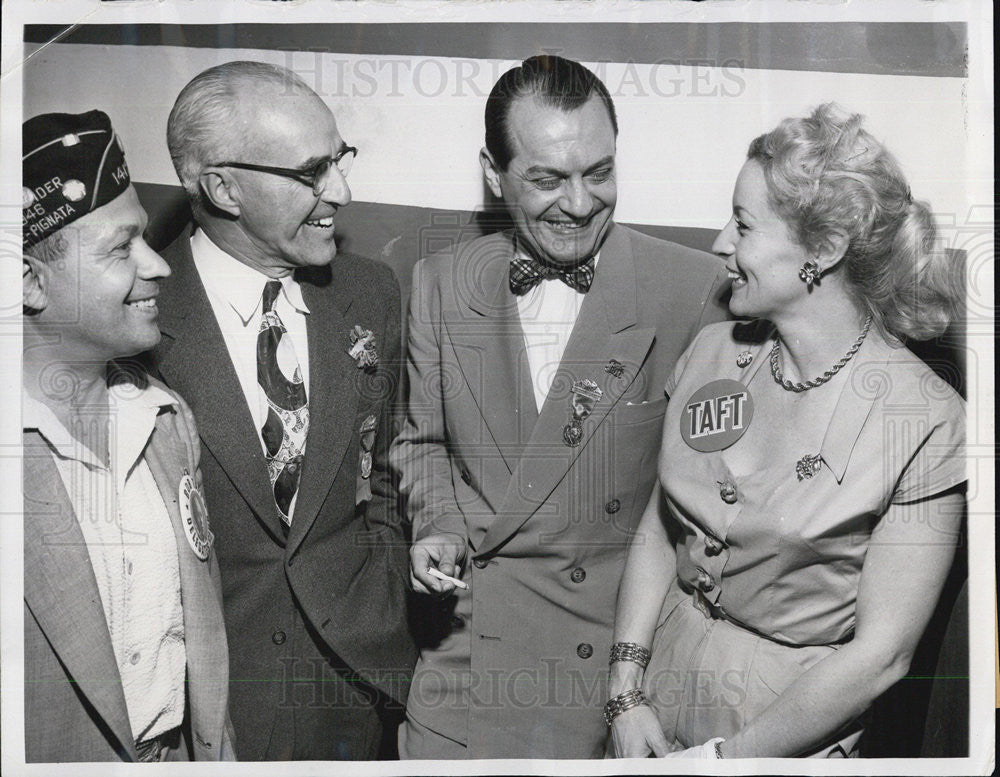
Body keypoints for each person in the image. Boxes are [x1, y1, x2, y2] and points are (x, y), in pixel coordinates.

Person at [390, 54, 729, 759]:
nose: (580, 203)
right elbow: (421, 444)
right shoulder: (438, 283)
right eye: (547, 178)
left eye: (599, 172)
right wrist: (439, 525)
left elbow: (703, 501)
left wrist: (629, 687)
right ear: (494, 173)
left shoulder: (693, 290)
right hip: (466, 668)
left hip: (612, 679)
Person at [606, 103, 966, 759]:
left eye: (742, 225)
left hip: (782, 731)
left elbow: (883, 655)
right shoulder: (715, 352)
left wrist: (724, 762)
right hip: (652, 700)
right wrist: (625, 689)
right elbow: (661, 526)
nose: (720, 242)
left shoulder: (925, 420)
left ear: (822, 251)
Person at [145, 61, 415, 760]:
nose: (341, 192)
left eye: (340, 160)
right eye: (310, 172)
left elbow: (381, 471)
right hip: (211, 712)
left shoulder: (371, 293)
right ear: (221, 187)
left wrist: (383, 600)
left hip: (354, 693)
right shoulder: (138, 325)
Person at [22, 110, 234, 762]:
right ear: (26, 281)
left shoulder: (165, 418)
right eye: (121, 248)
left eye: (144, 237)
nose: (158, 265)